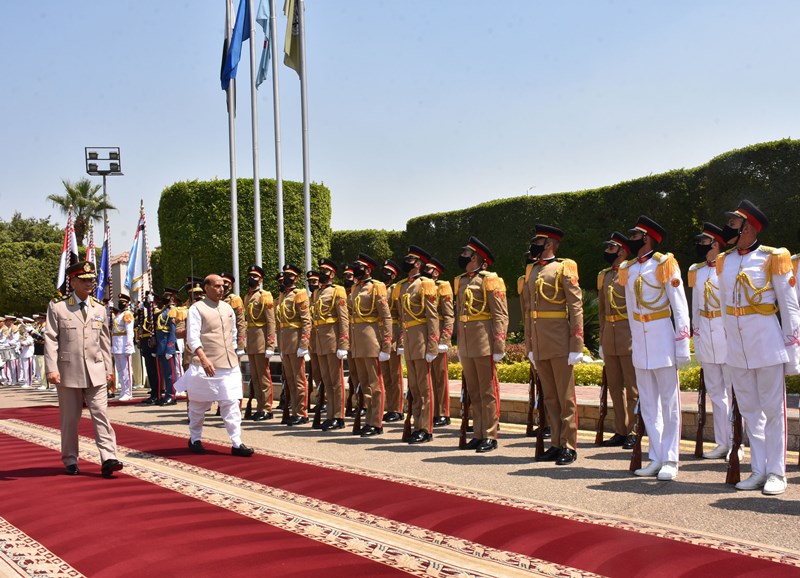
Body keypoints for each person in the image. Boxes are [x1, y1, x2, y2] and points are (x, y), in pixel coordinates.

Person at [717, 200, 800, 495]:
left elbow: (790, 307)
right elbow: (726, 307)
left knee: (773, 411)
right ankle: (758, 469)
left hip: (766, 343)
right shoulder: (725, 260)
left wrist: (793, 351)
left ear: (749, 227)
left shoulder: (772, 258)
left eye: (734, 223)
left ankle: (777, 472)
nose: (729, 227)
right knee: (751, 411)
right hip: (738, 349)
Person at [618, 215, 690, 481]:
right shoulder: (629, 268)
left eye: (635, 236)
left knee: (669, 403)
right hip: (642, 343)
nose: (631, 240)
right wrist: (634, 343)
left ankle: (671, 458)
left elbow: (679, 306)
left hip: (662, 337)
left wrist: (682, 345)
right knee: (648, 404)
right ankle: (655, 456)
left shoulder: (664, 264)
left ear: (646, 238)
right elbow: (629, 310)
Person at [44, 261, 123, 477]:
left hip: (96, 370)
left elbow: (105, 341)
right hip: (68, 372)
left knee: (101, 414)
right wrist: (51, 368)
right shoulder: (58, 307)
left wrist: (109, 368)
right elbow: (50, 338)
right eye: (85, 280)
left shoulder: (99, 307)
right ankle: (70, 459)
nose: (90, 283)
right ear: (73, 281)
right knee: (70, 419)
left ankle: (109, 457)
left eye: (92, 280)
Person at [174, 274, 254, 457]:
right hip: (205, 365)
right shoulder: (197, 308)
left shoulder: (227, 308)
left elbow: (233, 332)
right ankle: (195, 438)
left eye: (223, 286)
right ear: (206, 288)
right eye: (217, 286)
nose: (222, 289)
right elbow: (192, 337)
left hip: (229, 363)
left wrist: (235, 350)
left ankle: (236, 442)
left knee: (231, 402)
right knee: (198, 405)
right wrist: (203, 358)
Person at [525, 225, 584, 465]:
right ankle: (555, 443)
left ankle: (569, 445)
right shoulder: (532, 270)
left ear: (549, 244)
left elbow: (575, 306)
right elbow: (529, 310)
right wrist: (529, 344)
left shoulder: (563, 267)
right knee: (549, 397)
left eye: (538, 241)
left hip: (559, 340)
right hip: (540, 342)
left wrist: (576, 344)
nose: (534, 245)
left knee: (565, 396)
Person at [455, 237, 509, 453]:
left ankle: (490, 434)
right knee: (474, 392)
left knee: (487, 392)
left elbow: (500, 314)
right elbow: (460, 314)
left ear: (476, 257)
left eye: (466, 253)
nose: (462, 256)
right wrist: (459, 345)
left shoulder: (490, 279)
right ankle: (478, 433)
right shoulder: (461, 280)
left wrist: (499, 345)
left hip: (484, 342)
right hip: (467, 344)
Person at [688, 223, 734, 459]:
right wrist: (695, 333)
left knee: (732, 390)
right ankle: (722, 442)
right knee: (715, 391)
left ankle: (736, 442)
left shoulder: (728, 266)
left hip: (724, 331)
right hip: (706, 332)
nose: (700, 246)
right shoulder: (697, 270)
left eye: (705, 242)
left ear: (716, 243)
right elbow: (696, 304)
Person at [597, 232, 639, 449]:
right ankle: (620, 430)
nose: (607, 252)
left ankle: (634, 430)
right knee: (615, 388)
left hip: (628, 333)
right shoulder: (604, 275)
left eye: (611, 248)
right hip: (611, 337)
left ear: (623, 250)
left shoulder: (632, 271)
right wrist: (602, 340)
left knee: (632, 388)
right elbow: (603, 311)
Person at [394, 246, 439, 444]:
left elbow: (432, 317)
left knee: (424, 387)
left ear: (419, 264)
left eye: (410, 260)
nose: (407, 262)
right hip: (410, 339)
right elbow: (400, 317)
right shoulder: (402, 286)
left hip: (421, 337)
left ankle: (425, 428)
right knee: (413, 387)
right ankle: (415, 424)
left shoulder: (426, 284)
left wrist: (432, 345)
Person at [348, 253, 392, 436]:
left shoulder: (377, 287)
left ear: (367, 269)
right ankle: (367, 418)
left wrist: (386, 344)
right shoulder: (356, 288)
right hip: (357, 341)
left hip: (371, 339)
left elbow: (386, 316)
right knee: (363, 383)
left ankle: (376, 422)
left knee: (375, 384)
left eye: (360, 265)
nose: (356, 267)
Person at [311, 258, 350, 431]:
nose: (321, 274)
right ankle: (330, 414)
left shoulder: (338, 291)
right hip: (320, 342)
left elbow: (343, 318)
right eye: (321, 270)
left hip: (333, 340)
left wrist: (343, 343)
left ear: (332, 274)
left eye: (325, 271)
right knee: (326, 381)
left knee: (336, 381)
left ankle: (338, 416)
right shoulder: (317, 293)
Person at [275, 264, 313, 425]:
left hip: (296, 341)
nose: (286, 277)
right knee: (289, 380)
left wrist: (304, 344)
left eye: (290, 275)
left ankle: (302, 412)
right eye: (285, 275)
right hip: (286, 343)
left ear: (296, 278)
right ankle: (293, 410)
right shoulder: (283, 295)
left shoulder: (300, 294)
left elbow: (306, 321)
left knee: (298, 379)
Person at [244, 264, 277, 420]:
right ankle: (259, 406)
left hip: (262, 341)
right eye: (250, 275)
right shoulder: (248, 296)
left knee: (263, 376)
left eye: (255, 276)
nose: (252, 278)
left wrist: (270, 344)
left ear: (261, 280)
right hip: (251, 341)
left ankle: (267, 408)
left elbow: (271, 322)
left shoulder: (265, 296)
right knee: (255, 377)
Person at [425, 257, 455, 427]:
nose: (425, 272)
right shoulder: (421, 287)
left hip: (438, 337)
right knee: (426, 378)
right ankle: (431, 411)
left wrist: (444, 339)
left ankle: (443, 413)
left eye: (429, 269)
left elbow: (449, 316)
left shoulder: (442, 287)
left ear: (436, 273)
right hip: (425, 336)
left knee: (439, 377)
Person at [380, 259, 404, 422]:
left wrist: (401, 340)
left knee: (395, 375)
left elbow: (402, 316)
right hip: (382, 333)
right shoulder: (381, 289)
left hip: (394, 333)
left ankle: (397, 408)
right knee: (386, 375)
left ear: (394, 275)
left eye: (388, 272)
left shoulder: (396, 289)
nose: (385, 274)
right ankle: (390, 406)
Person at [154, 288, 180, 405]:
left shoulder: (172, 311)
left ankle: (171, 395)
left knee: (170, 374)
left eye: (167, 297)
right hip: (160, 346)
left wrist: (170, 347)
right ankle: (162, 395)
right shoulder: (163, 311)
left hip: (167, 346)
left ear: (172, 298)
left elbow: (172, 331)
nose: (164, 298)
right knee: (162, 373)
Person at [110, 299, 136, 401]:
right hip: (116, 345)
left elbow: (129, 331)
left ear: (128, 303)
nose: (121, 304)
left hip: (124, 344)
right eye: (120, 302)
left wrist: (129, 345)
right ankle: (123, 390)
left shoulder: (127, 314)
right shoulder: (118, 315)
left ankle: (128, 392)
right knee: (120, 370)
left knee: (126, 370)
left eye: (124, 302)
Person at [220, 272, 247, 354]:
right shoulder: (216, 300)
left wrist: (240, 345)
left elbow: (240, 323)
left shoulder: (234, 300)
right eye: (221, 282)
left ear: (230, 285)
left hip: (232, 340)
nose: (223, 284)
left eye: (225, 282)